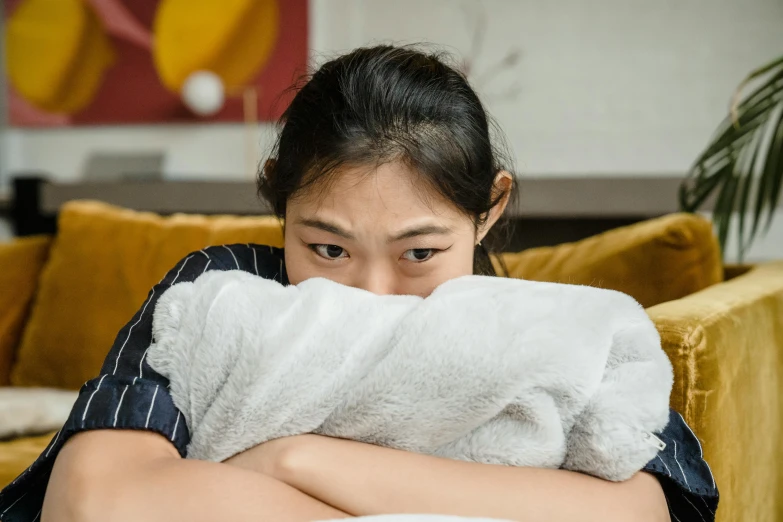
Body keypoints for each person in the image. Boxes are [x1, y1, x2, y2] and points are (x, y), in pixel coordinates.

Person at [0, 45, 717, 522]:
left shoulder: (544, 330)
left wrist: (296, 459)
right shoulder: (219, 297)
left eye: (419, 253)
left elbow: (638, 509)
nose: (367, 293)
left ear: (489, 207)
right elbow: (94, 499)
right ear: (276, 200)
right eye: (326, 247)